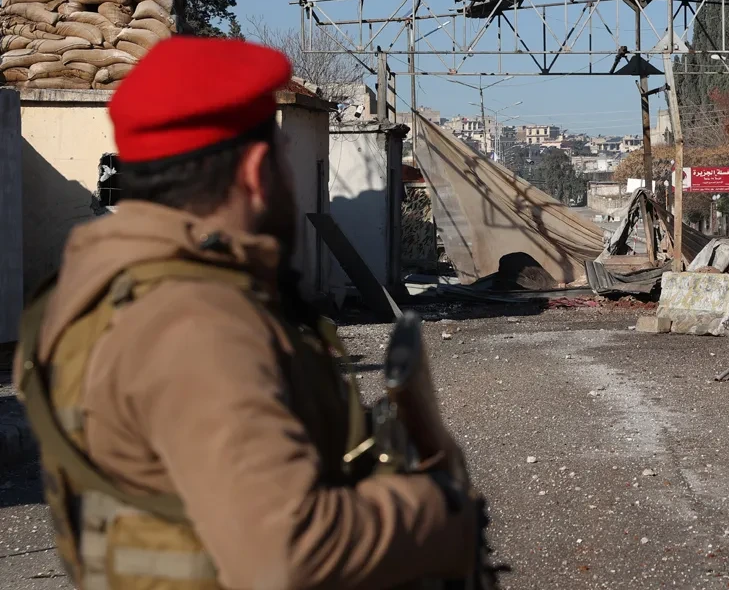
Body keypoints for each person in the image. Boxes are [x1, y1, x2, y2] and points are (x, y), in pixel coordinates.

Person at [15, 37, 477, 590]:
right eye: (284, 162)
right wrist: (439, 513)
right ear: (258, 172)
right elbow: (286, 552)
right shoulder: (193, 322)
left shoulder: (94, 285)